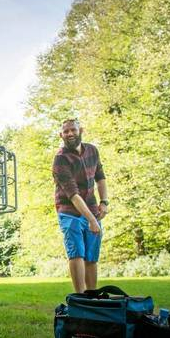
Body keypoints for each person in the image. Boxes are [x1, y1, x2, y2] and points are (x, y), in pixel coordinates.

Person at [52, 119, 109, 293]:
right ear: (61, 135)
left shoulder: (92, 150)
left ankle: (92, 297)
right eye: (66, 131)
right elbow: (73, 194)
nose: (70, 134)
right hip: (70, 212)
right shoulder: (60, 159)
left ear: (80, 131)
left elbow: (100, 177)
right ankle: (81, 299)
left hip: (92, 208)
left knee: (91, 257)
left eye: (73, 130)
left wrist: (104, 202)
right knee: (77, 253)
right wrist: (91, 220)